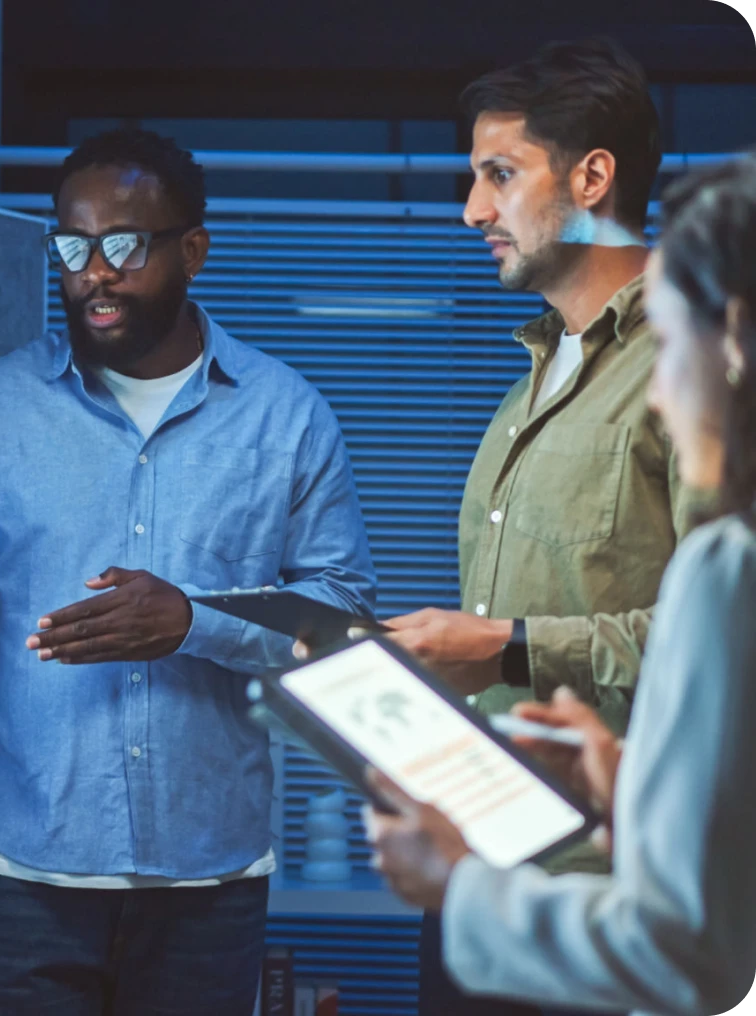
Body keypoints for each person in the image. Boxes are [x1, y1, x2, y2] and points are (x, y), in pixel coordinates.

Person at [0, 128, 377, 1016]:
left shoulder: (287, 419)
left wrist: (192, 622)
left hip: (206, 882)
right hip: (22, 874)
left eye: (123, 245)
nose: (91, 270)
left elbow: (342, 620)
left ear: (194, 249)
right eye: (71, 244)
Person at [315, 39, 697, 1016]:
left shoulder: (696, 370)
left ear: (591, 177)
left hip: (609, 896)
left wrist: (506, 645)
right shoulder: (532, 379)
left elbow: (725, 639)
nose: (470, 210)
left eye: (498, 174)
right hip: (482, 867)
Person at [366, 153, 756, 1016]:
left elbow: (686, 953)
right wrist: (626, 781)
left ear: (730, 342)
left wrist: (457, 884)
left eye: (674, 342)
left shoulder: (730, 566)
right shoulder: (523, 395)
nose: (658, 386)